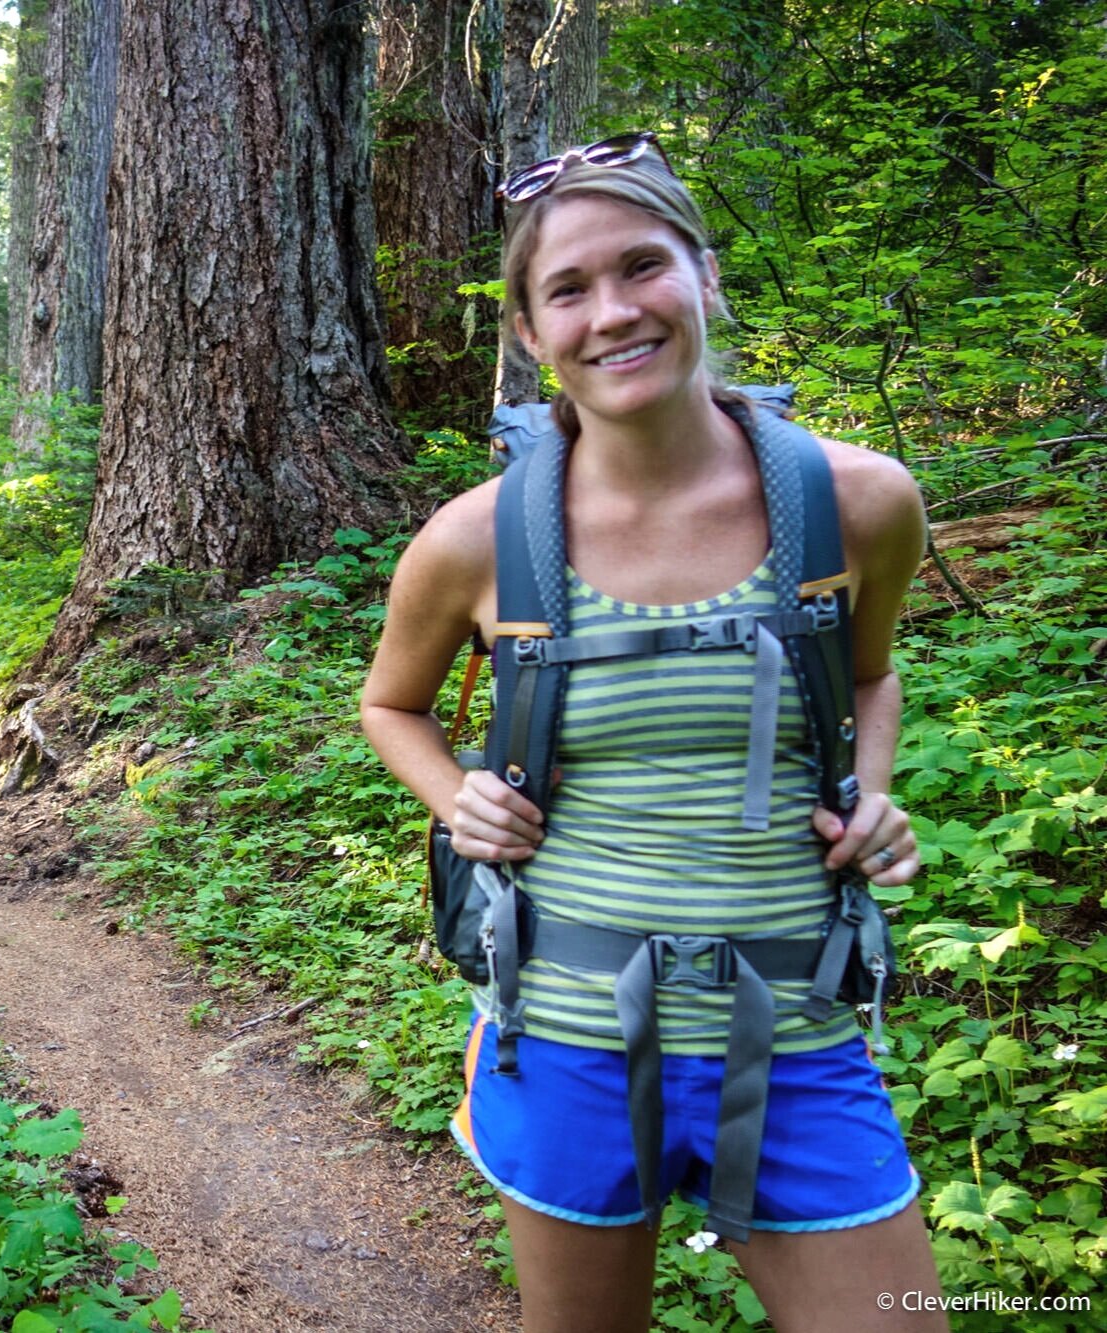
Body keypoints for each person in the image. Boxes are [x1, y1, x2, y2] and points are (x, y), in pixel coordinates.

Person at [359, 133, 944, 1332]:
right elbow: (391, 703)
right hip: (562, 1035)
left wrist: (867, 792)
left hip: (796, 1031)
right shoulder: (474, 541)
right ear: (528, 332)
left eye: (642, 266)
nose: (611, 312)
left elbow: (871, 679)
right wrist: (451, 795)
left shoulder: (859, 502)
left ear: (704, 276)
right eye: (566, 289)